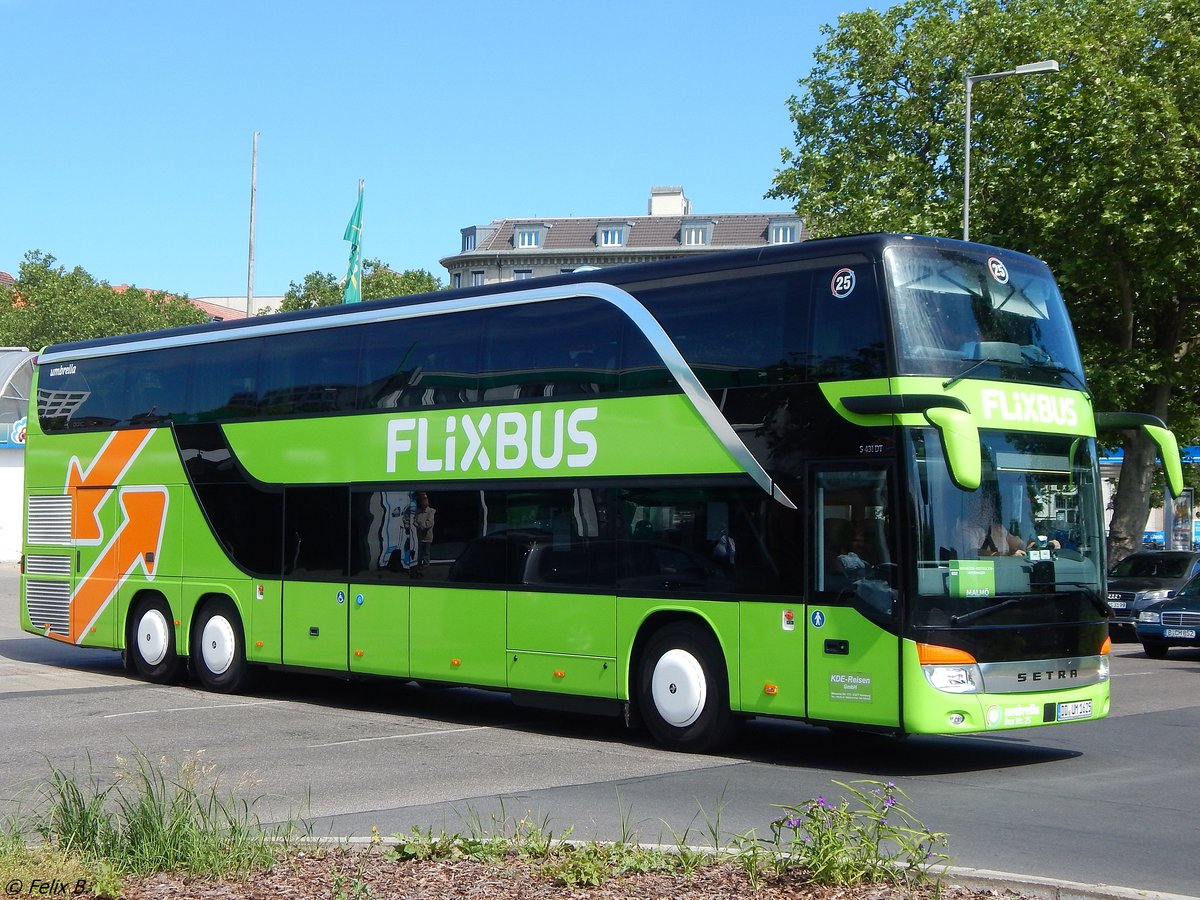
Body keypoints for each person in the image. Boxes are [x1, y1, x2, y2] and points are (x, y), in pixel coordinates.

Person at [413, 492, 436, 567]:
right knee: (420, 551)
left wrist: (422, 526)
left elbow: (430, 522)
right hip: (420, 536)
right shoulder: (417, 511)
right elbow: (414, 520)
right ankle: (419, 564)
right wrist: (417, 525)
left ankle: (426, 565)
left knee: (426, 552)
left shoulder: (431, 511)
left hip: (427, 536)